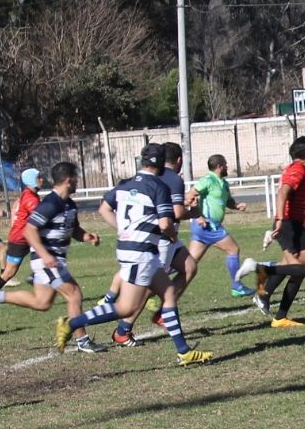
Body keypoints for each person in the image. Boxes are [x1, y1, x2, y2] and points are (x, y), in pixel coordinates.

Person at [56, 144, 212, 366]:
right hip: (141, 253)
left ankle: (184, 351)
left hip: (135, 250)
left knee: (168, 293)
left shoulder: (125, 184)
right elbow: (166, 222)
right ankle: (72, 324)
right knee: (125, 308)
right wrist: (170, 237)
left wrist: (123, 230)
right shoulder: (158, 186)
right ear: (159, 165)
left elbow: (103, 208)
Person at [0, 163, 106, 353]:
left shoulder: (69, 204)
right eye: (75, 178)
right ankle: (83, 340)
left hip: (54, 260)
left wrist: (88, 237)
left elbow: (73, 230)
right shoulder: (49, 204)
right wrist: (45, 255)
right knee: (74, 294)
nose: (77, 181)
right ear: (68, 180)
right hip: (47, 260)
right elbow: (29, 230)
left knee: (42, 303)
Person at [106, 142, 198, 347]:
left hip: (166, 238)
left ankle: (162, 312)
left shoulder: (154, 176)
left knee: (189, 267)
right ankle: (123, 329)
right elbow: (176, 213)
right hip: (162, 238)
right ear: (180, 160)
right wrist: (194, 212)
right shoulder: (173, 179)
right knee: (147, 287)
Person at [235, 136, 305, 327]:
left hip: (297, 224)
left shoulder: (301, 169)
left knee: (299, 272)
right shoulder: (297, 169)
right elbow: (283, 192)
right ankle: (259, 269)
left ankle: (279, 315)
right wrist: (281, 220)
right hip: (289, 224)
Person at [184, 154, 254, 298]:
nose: (228, 166)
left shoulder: (223, 183)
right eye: (226, 164)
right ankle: (237, 287)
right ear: (219, 166)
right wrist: (198, 216)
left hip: (205, 228)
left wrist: (236, 206)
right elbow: (189, 196)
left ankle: (157, 279)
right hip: (209, 225)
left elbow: (228, 201)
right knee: (233, 249)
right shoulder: (208, 180)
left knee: (189, 262)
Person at [0, 168, 44, 314]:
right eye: (39, 177)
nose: (42, 179)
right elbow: (41, 216)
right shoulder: (31, 198)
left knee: (45, 252)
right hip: (20, 239)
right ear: (32, 180)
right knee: (8, 273)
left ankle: (36, 275)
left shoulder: (28, 194)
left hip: (25, 237)